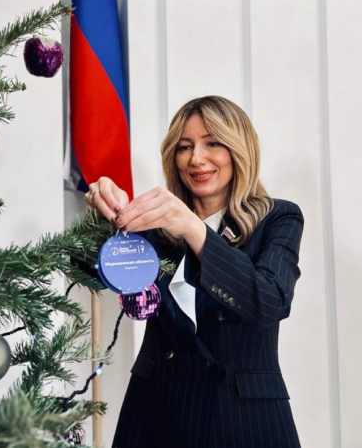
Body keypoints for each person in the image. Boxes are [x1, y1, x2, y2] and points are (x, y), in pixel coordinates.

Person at [84, 95, 304, 448]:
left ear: (239, 149)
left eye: (213, 143)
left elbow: (269, 301)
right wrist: (101, 211)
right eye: (185, 147)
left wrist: (193, 228)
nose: (196, 159)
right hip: (156, 413)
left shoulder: (278, 218)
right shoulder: (153, 224)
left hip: (245, 419)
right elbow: (92, 272)